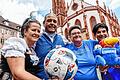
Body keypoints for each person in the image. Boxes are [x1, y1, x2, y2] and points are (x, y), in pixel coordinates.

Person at [35, 12, 68, 79]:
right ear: (44, 23)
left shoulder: (63, 39)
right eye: (49, 20)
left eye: (54, 21)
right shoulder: (36, 38)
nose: (52, 23)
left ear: (57, 24)